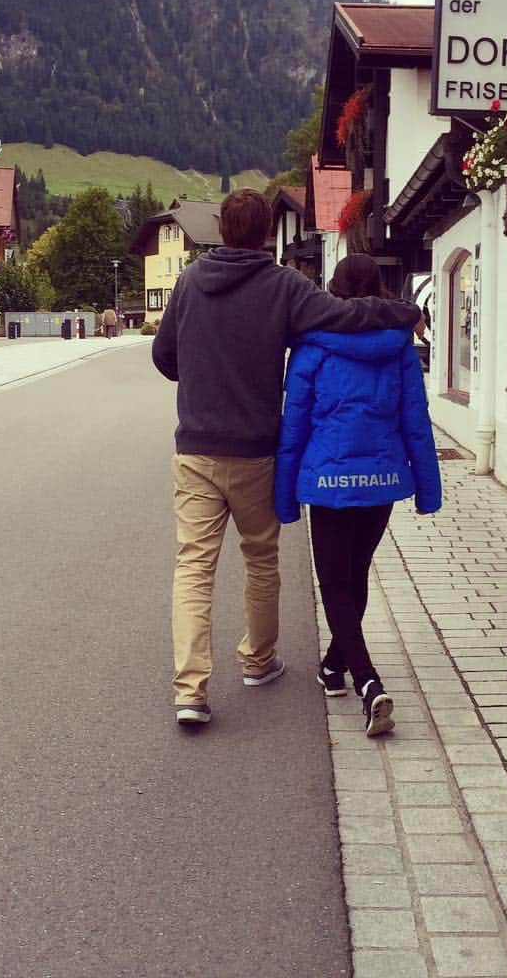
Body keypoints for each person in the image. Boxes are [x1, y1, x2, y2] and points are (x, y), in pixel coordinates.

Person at [152, 190, 420, 726]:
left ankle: (191, 691)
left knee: (194, 567)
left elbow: (165, 358)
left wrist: (202, 374)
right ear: (265, 231)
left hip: (197, 450)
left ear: (223, 230)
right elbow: (345, 317)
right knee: (260, 558)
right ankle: (258, 660)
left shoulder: (188, 283)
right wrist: (407, 311)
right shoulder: (285, 286)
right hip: (255, 452)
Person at [274, 253, 442, 736]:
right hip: (382, 484)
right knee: (356, 575)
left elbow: (294, 427)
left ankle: (368, 683)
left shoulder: (310, 349)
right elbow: (416, 422)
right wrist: (427, 491)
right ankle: (333, 667)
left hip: (327, 484)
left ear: (334, 288)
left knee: (335, 584)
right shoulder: (400, 348)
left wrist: (284, 497)